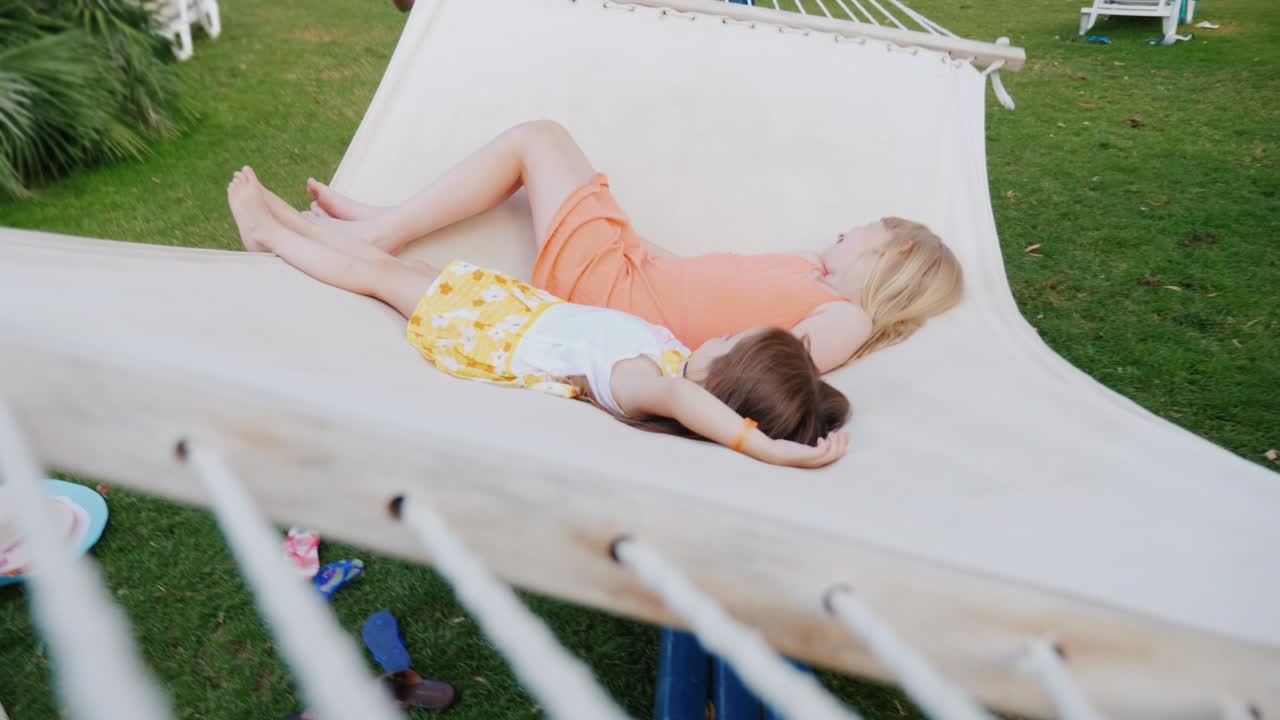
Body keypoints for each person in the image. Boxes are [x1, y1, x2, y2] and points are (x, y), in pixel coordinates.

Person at [227, 167, 850, 468]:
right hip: (513, 311)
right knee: (403, 273)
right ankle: (288, 223)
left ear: (723, 387)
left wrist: (769, 449)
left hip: (490, 335)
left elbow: (699, 411)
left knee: (382, 276)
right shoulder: (670, 357)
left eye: (732, 342)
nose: (722, 333)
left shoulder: (653, 388)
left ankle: (271, 239)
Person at [300, 120, 964, 372]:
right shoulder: (808, 274)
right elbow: (691, 279)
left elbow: (774, 372)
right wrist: (621, 230)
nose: (843, 234)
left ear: (899, 254)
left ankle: (381, 230)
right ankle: (383, 218)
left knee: (540, 138)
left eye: (863, 232)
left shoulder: (847, 316)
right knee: (546, 167)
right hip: (631, 270)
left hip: (614, 299)